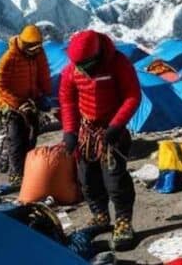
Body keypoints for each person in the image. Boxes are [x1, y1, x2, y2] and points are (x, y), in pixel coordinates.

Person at [59, 30, 141, 250]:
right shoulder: (72, 70)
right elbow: (67, 101)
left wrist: (116, 125)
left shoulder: (118, 63)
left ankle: (123, 221)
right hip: (87, 133)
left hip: (112, 131)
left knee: (114, 179)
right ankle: (100, 215)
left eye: (84, 64)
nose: (81, 69)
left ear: (95, 56)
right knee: (87, 178)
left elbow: (133, 95)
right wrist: (70, 131)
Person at [0, 24, 51, 189]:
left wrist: (44, 94)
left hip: (30, 100)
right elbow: (2, 87)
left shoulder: (38, 54)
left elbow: (44, 73)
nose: (34, 51)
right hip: (10, 104)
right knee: (17, 139)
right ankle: (16, 175)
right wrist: (18, 104)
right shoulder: (8, 58)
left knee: (31, 137)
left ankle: (25, 168)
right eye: (31, 48)